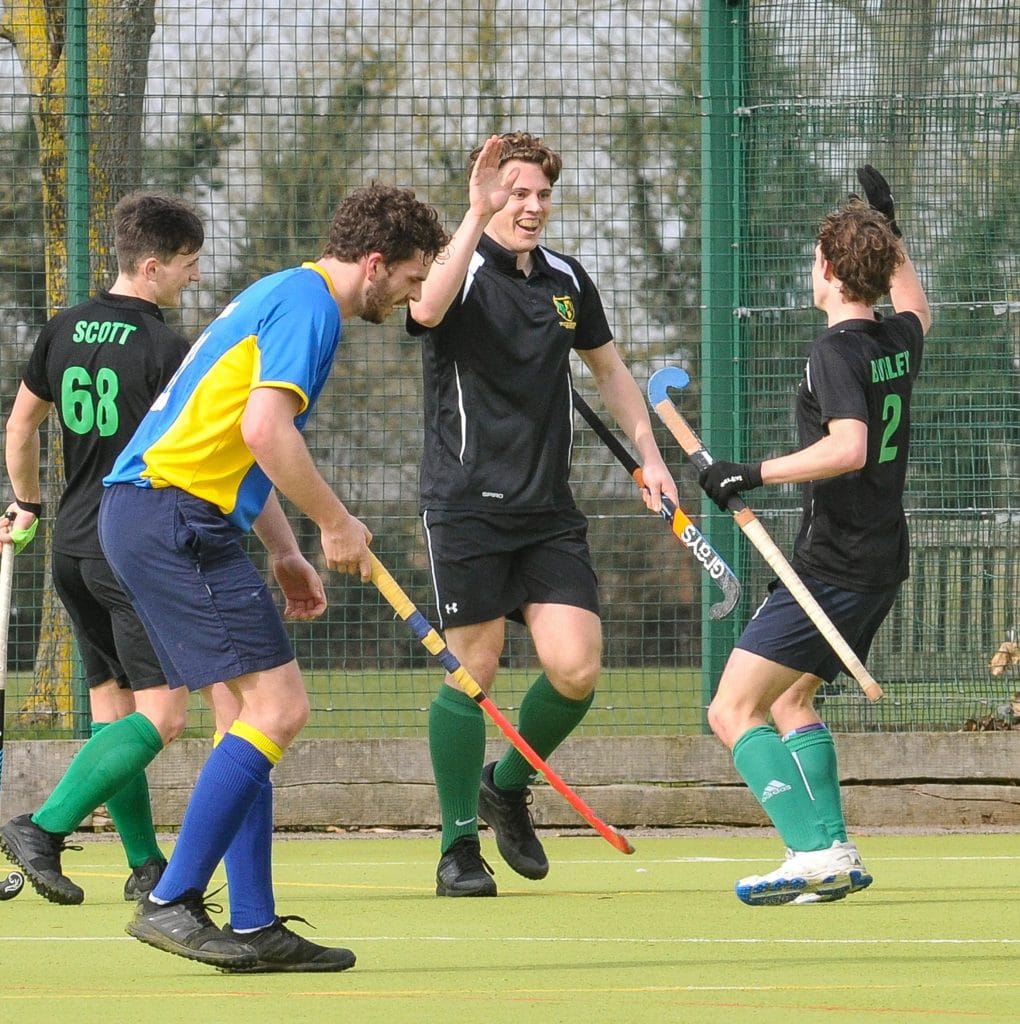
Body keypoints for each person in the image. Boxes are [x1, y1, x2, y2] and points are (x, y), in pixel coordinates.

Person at [99, 183, 450, 970]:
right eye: (412, 276)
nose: (413, 293)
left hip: (175, 514)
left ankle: (255, 924)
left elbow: (241, 435)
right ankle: (170, 900)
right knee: (280, 708)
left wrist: (286, 551)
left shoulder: (286, 291)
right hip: (169, 514)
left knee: (246, 720)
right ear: (374, 263)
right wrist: (335, 523)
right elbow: (265, 428)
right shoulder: (312, 306)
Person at [406, 132, 678, 897]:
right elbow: (424, 309)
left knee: (577, 668)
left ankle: (506, 785)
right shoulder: (457, 269)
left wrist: (649, 456)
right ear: (490, 193)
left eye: (541, 194)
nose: (530, 207)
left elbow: (610, 372)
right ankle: (458, 847)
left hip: (548, 510)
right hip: (465, 507)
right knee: (475, 672)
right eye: (516, 192)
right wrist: (473, 213)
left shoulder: (567, 280)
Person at [695, 166, 931, 905]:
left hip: (833, 564)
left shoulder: (835, 352)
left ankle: (809, 851)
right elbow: (918, 306)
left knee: (731, 710)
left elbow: (848, 447)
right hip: (880, 560)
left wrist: (750, 473)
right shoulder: (897, 337)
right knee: (793, 701)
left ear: (827, 268)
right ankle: (837, 848)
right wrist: (891, 231)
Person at [0, 192, 206, 905]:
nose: (194, 277)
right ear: (150, 266)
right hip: (132, 548)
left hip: (72, 547)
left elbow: (20, 427)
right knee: (165, 716)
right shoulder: (166, 350)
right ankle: (42, 827)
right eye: (186, 264)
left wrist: (28, 504)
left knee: (115, 714)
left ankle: (146, 864)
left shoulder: (61, 328)